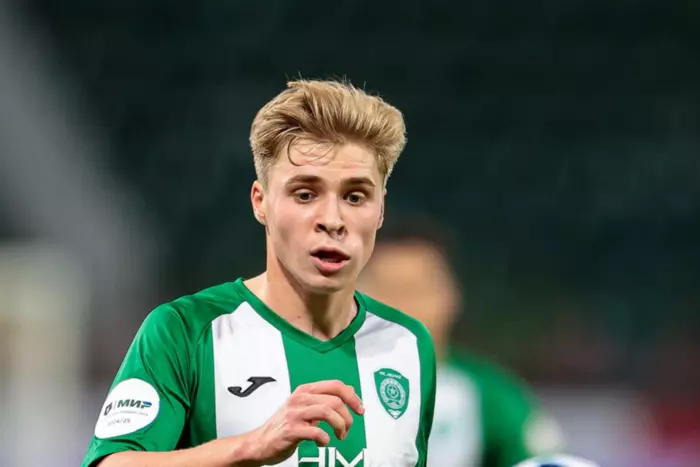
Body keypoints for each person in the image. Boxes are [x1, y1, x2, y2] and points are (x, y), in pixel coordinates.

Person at [82, 80, 437, 467]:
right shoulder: (187, 331)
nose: (333, 220)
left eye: (355, 197)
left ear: (380, 209)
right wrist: (250, 447)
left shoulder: (408, 345)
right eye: (305, 194)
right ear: (261, 202)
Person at [358, 215, 566, 467]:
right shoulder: (321, 382)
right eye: (389, 290)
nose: (403, 307)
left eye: (417, 290)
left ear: (451, 296)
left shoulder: (489, 395)